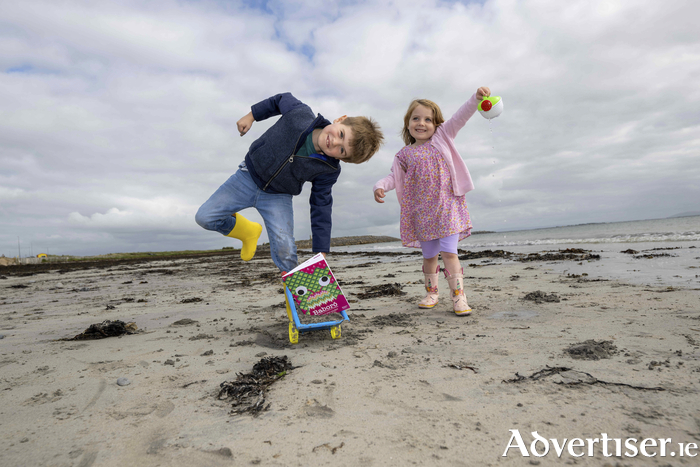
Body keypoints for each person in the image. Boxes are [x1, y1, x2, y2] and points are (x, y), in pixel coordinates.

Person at [196, 92, 384, 273]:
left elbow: (321, 206)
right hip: (246, 177)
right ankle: (247, 231)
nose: (334, 142)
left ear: (343, 159)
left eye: (342, 150)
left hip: (278, 196)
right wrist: (251, 116)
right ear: (340, 119)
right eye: (341, 134)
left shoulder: (328, 170)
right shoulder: (300, 114)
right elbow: (280, 99)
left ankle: (294, 301)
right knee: (204, 217)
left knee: (285, 250)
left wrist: (321, 249)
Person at [373, 86, 490, 316]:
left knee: (449, 253)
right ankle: (431, 293)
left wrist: (475, 100)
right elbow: (393, 177)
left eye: (428, 119)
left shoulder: (443, 137)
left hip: (448, 208)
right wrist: (380, 185)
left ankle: (458, 297)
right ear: (408, 124)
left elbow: (460, 117)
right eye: (416, 118)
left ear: (436, 124)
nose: (422, 123)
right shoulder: (404, 154)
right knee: (429, 256)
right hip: (422, 213)